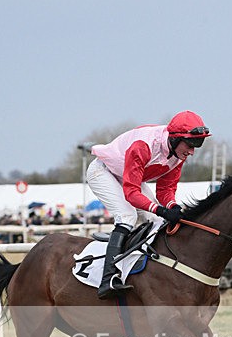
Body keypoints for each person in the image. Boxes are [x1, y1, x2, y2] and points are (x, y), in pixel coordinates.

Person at [86, 110, 211, 299]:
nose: (192, 152)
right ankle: (108, 277)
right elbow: (131, 193)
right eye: (191, 144)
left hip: (126, 176)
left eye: (197, 145)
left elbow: (165, 189)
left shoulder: (178, 155)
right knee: (128, 216)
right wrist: (160, 209)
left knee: (156, 221)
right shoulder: (144, 146)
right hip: (103, 172)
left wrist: (172, 207)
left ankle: (145, 273)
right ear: (176, 139)